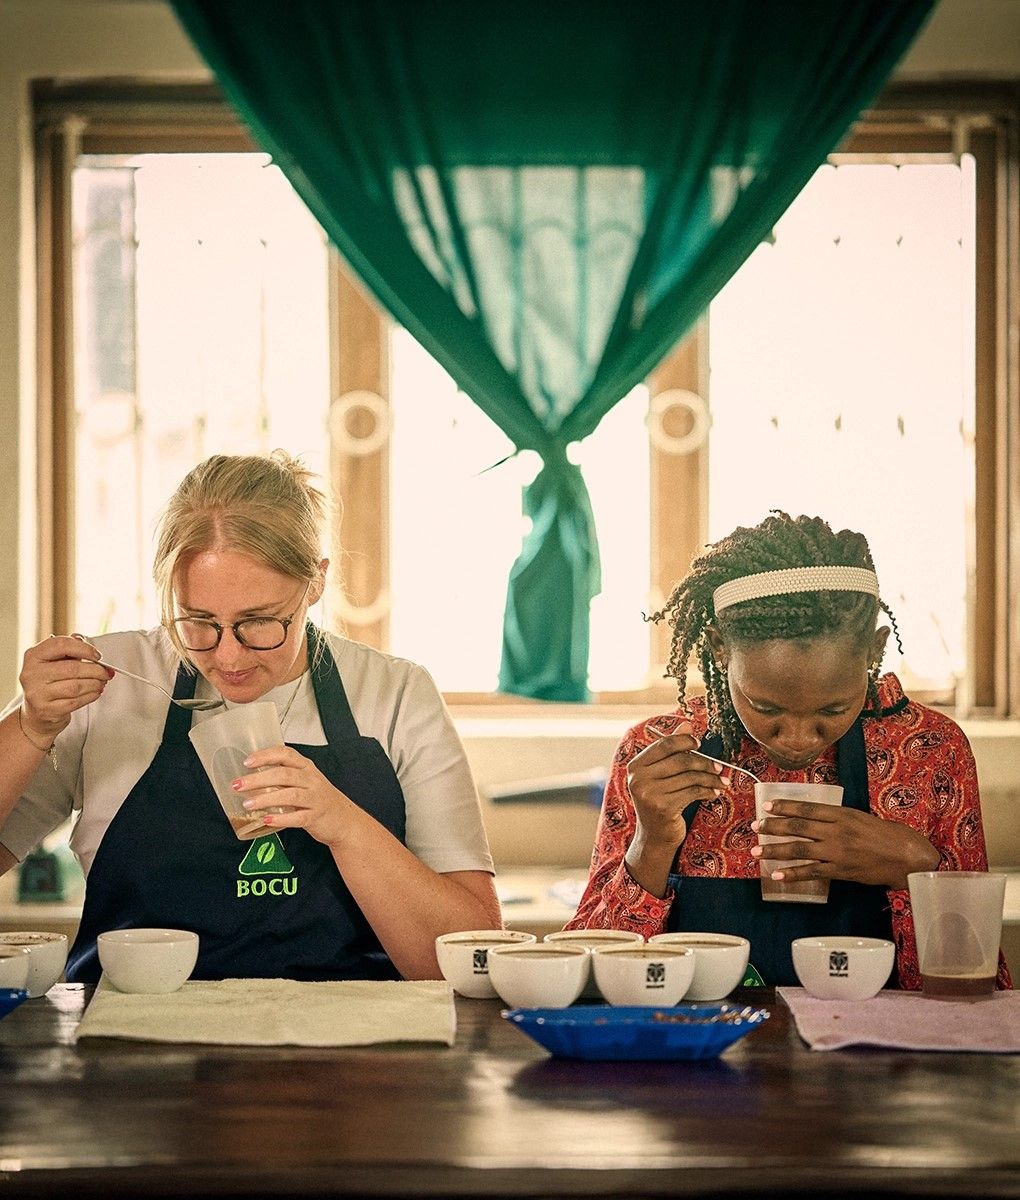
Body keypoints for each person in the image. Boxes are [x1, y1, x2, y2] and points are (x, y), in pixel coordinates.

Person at [0, 451, 501, 983]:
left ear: (315, 584)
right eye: (198, 622)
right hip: (136, 1043)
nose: (229, 658)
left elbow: (471, 955)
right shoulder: (108, 684)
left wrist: (343, 824)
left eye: (259, 622)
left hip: (354, 1049)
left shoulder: (395, 694)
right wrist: (30, 730)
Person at [566, 511, 1011, 990]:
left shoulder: (929, 752)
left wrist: (917, 871)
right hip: (702, 1053)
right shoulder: (658, 756)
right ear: (718, 648)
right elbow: (590, 975)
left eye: (833, 708)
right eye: (766, 707)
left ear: (874, 652)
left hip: (873, 1062)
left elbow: (976, 993)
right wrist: (651, 843)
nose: (798, 739)